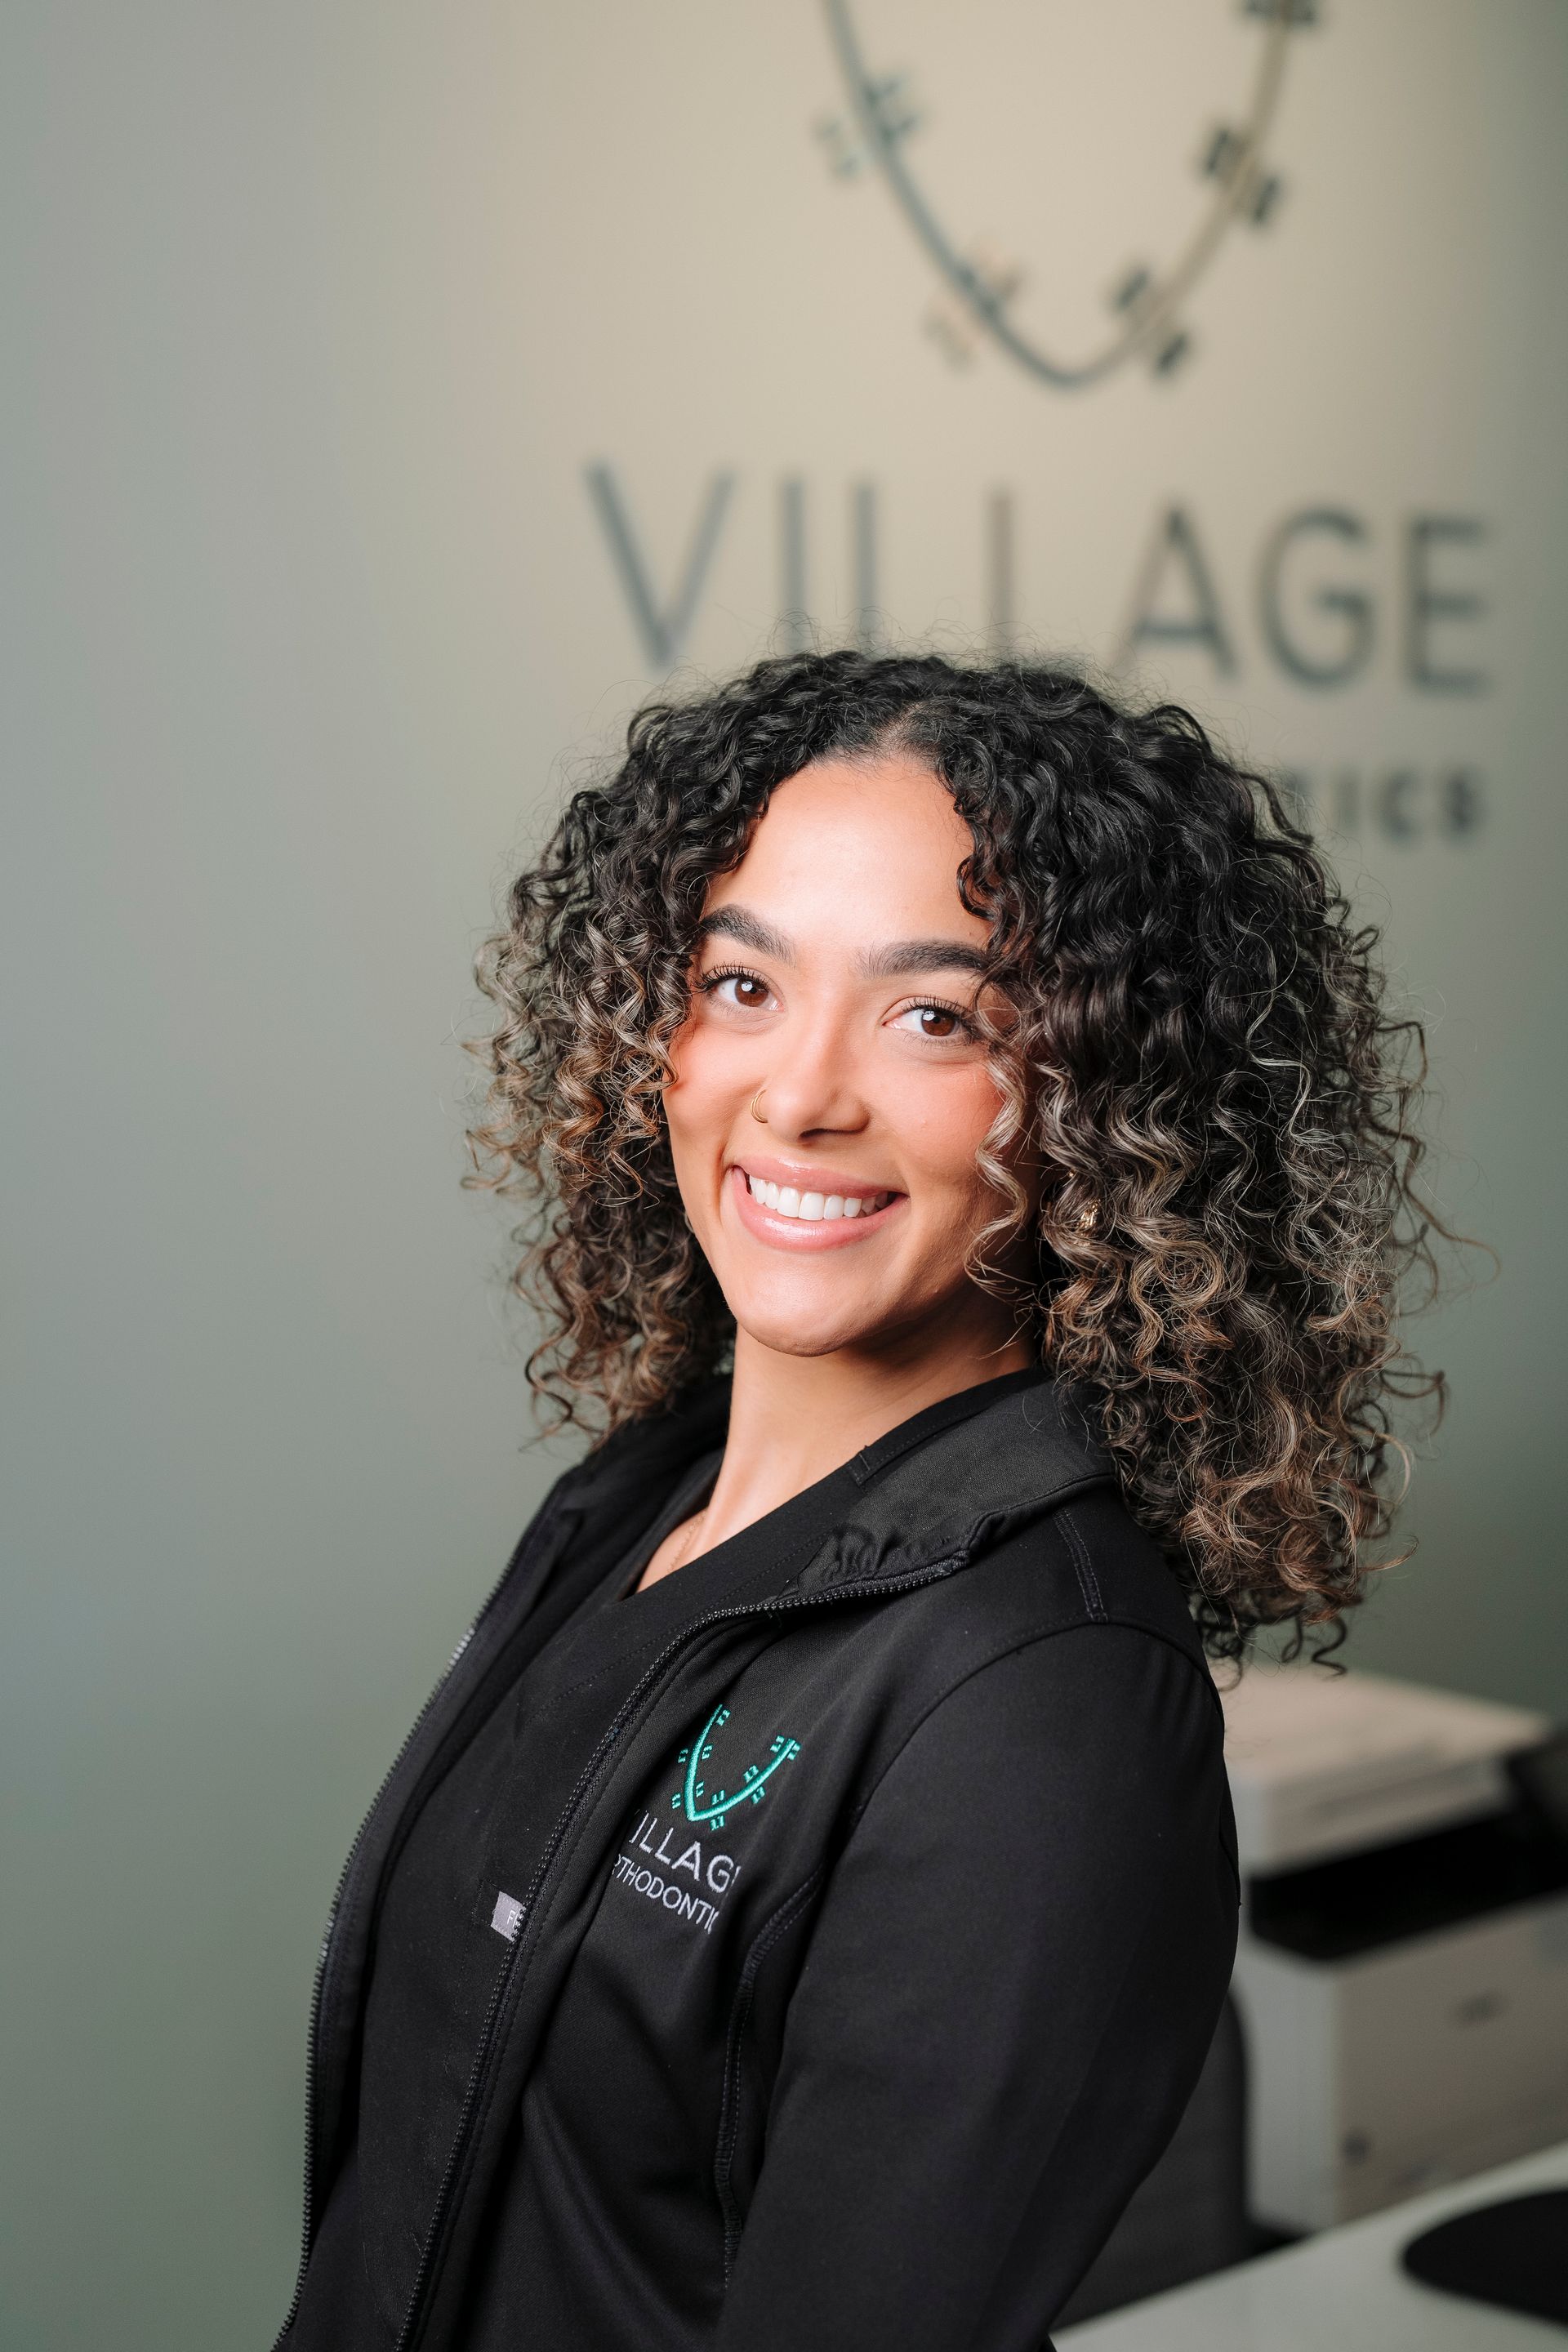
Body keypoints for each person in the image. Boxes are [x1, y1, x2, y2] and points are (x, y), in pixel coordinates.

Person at [272, 651, 1444, 2352]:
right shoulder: (640, 1498)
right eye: (742, 985)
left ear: (1105, 1113)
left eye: (935, 1016)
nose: (802, 1093)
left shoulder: (1040, 1705)